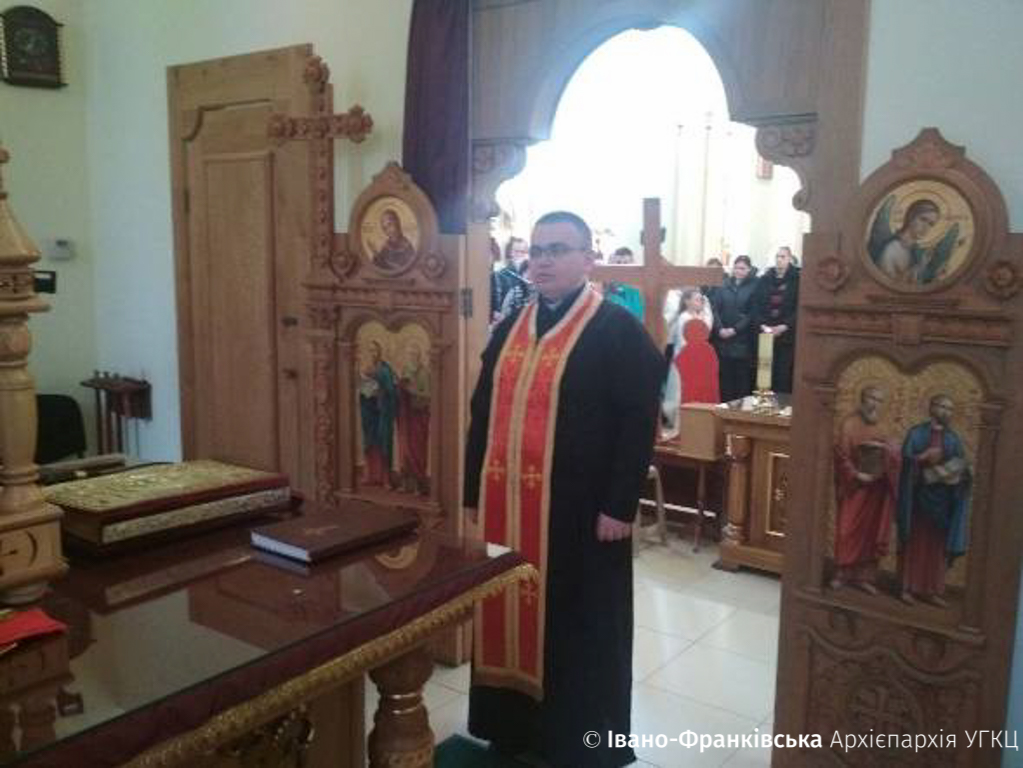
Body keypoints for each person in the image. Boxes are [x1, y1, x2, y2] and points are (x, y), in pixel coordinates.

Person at [464, 210, 664, 768]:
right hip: (510, 511)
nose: (543, 261)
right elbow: (481, 414)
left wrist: (620, 505)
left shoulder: (616, 329)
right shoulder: (511, 327)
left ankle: (582, 745)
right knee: (506, 611)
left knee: (582, 626)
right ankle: (512, 729)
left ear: (587, 259)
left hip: (584, 516)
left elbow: (637, 421)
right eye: (537, 250)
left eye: (557, 249)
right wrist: (472, 492)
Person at [896, 394, 972, 607]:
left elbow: (960, 464)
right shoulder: (916, 433)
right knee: (915, 543)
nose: (947, 412)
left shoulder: (953, 439)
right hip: (919, 500)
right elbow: (904, 464)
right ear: (931, 408)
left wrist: (963, 472)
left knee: (937, 548)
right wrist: (922, 458)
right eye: (943, 407)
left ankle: (931, 590)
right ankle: (907, 587)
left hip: (943, 502)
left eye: (950, 409)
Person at [832, 386, 900, 595]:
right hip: (855, 488)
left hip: (876, 489)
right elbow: (841, 456)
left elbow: (894, 453)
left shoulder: (883, 427)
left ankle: (864, 577)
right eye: (872, 398)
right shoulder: (849, 424)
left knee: (870, 532)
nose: (875, 404)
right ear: (863, 399)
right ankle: (842, 574)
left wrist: (889, 451)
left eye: (879, 400)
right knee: (847, 530)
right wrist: (856, 474)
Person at [662, 288, 715, 432]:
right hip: (686, 360)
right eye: (697, 300)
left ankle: (696, 418)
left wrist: (706, 308)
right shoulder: (684, 317)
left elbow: (707, 329)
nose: (700, 303)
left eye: (701, 300)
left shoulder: (700, 316)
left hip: (698, 360)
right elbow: (684, 341)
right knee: (680, 390)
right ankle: (678, 421)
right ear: (687, 301)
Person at [711, 255, 757, 402]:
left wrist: (735, 329)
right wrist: (719, 329)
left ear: (749, 269)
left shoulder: (754, 286)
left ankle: (740, 408)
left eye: (742, 268)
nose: (739, 271)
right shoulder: (724, 285)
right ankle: (725, 406)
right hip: (723, 340)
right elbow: (715, 309)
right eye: (736, 268)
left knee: (741, 378)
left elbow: (752, 314)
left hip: (742, 340)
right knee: (725, 377)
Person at [753, 246, 800, 394]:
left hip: (786, 334)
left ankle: (781, 402)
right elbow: (756, 304)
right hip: (765, 333)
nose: (779, 260)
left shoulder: (798, 279)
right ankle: (763, 400)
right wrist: (763, 326)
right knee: (764, 372)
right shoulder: (764, 279)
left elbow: (799, 307)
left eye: (783, 257)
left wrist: (784, 326)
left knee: (783, 373)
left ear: (790, 259)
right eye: (777, 256)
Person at [358, 341, 397, 487]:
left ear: (379, 352)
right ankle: (370, 475)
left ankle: (386, 478)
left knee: (384, 442)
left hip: (382, 412)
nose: (372, 354)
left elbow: (391, 391)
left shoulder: (385, 370)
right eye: (370, 351)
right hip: (369, 412)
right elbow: (362, 390)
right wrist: (364, 388)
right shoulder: (367, 369)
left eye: (374, 351)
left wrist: (380, 392)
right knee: (369, 442)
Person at [397, 342, 430, 494]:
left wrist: (412, 390)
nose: (411, 357)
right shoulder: (405, 369)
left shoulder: (424, 373)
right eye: (409, 354)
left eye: (414, 354)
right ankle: (406, 483)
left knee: (417, 450)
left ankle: (419, 484)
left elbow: (428, 396)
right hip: (406, 416)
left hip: (418, 416)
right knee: (405, 449)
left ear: (419, 356)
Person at [491, 236, 531, 323]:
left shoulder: (532, 274)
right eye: (516, 251)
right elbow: (493, 308)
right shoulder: (500, 275)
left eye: (523, 252)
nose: (520, 255)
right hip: (506, 322)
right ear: (510, 253)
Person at [602, 246, 645, 321]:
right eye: (618, 263)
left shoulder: (638, 287)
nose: (622, 267)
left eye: (626, 263)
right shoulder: (606, 286)